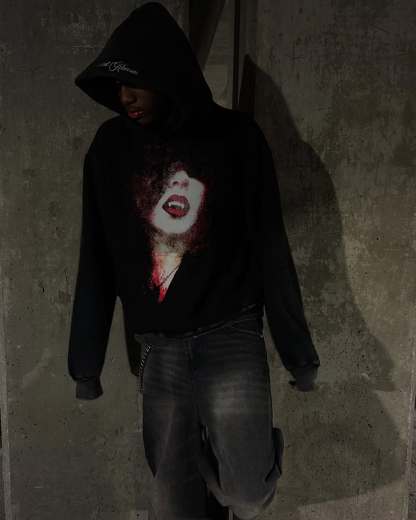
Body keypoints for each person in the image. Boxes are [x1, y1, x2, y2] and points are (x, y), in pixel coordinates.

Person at [67, 3, 320, 520]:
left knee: (247, 495)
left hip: (230, 337)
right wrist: (85, 364)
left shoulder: (237, 139)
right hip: (160, 350)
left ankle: (227, 474)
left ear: (168, 74)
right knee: (174, 508)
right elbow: (95, 255)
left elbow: (271, 246)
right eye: (118, 85)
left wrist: (298, 353)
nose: (125, 96)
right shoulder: (109, 149)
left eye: (136, 82)